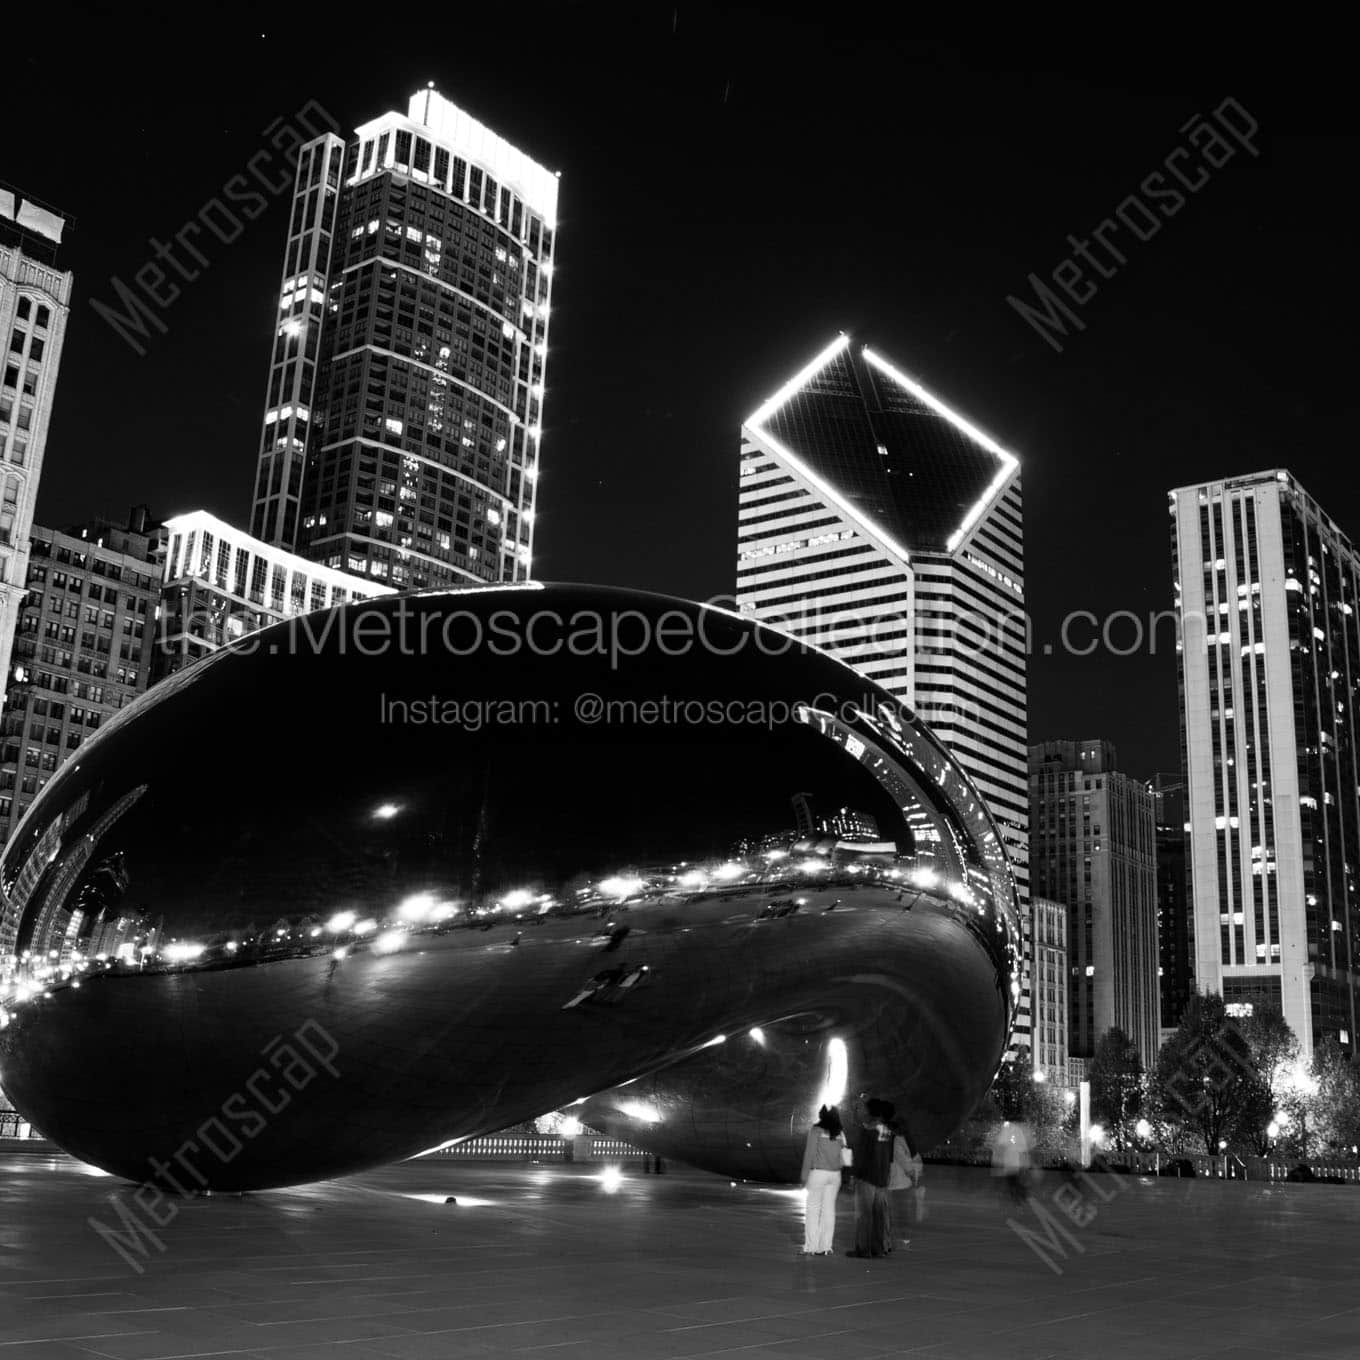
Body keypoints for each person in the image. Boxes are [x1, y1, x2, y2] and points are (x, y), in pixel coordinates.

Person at [846, 1097, 895, 1258]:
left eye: (865, 1108)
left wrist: (854, 1175)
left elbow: (861, 1156)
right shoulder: (887, 1131)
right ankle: (878, 1249)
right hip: (881, 1178)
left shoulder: (868, 1130)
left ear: (869, 1111)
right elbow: (889, 1156)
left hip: (867, 1177)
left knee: (864, 1214)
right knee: (879, 1214)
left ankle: (863, 1249)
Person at [799, 1105, 846, 1255]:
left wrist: (804, 1176)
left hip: (818, 1173)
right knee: (829, 1210)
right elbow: (846, 1158)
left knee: (813, 1210)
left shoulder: (816, 1131)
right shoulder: (840, 1133)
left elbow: (809, 1154)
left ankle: (810, 1247)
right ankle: (826, 1247)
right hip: (835, 1175)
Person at [886, 1117, 921, 1250]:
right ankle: (905, 1239)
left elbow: (902, 1159)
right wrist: (915, 1176)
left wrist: (911, 1172)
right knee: (904, 1212)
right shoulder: (908, 1139)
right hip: (906, 1183)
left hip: (897, 1181)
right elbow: (916, 1159)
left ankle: (889, 1239)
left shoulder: (897, 1141)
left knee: (892, 1212)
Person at [990, 1119, 1033, 1204]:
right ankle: (1020, 1197)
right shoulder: (1017, 1129)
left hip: (1011, 1162)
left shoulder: (1008, 1128)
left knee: (1013, 1181)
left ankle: (1021, 1197)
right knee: (1014, 1181)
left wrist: (998, 1158)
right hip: (1015, 1162)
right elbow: (1023, 1147)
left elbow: (1002, 1143)